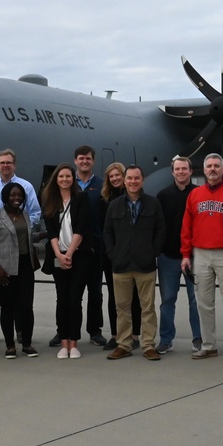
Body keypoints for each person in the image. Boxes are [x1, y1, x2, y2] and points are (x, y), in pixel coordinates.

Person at [181, 153, 223, 361]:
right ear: (204, 169)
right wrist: (186, 254)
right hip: (201, 253)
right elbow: (186, 227)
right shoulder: (195, 194)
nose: (213, 169)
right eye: (209, 166)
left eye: (217, 166)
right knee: (203, 302)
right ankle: (208, 345)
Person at [103, 166, 166, 361]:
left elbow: (160, 231)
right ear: (124, 180)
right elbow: (107, 233)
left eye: (136, 178)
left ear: (142, 180)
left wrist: (152, 253)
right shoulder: (114, 205)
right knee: (122, 308)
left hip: (145, 265)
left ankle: (148, 345)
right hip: (121, 266)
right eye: (129, 178)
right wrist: (114, 254)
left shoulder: (153, 204)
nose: (133, 182)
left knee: (147, 308)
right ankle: (124, 344)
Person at [0, 150, 40, 345]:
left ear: (14, 165)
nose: (5, 165)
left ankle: (21, 331)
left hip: (20, 249)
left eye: (9, 162)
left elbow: (35, 212)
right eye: (2, 162)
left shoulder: (26, 187)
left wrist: (18, 227)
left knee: (20, 296)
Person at [42, 163, 92, 359]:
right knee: (62, 299)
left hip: (79, 255)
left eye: (68, 176)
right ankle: (64, 342)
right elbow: (51, 232)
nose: (64, 179)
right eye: (61, 176)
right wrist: (59, 255)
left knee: (75, 300)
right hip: (58, 254)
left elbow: (81, 228)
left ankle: (74, 342)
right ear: (56, 179)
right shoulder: (50, 200)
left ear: (73, 179)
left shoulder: (82, 198)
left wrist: (69, 254)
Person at [156, 156, 202, 353]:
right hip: (168, 256)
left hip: (195, 256)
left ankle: (198, 338)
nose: (181, 172)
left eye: (185, 169)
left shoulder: (199, 194)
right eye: (177, 169)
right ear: (172, 172)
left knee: (196, 300)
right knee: (167, 299)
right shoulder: (163, 195)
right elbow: (158, 226)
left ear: (191, 171)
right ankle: (166, 339)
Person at [98, 162, 140, 351]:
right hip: (113, 256)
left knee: (135, 297)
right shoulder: (104, 199)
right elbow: (104, 230)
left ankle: (135, 334)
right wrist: (111, 253)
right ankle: (115, 334)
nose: (115, 178)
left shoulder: (132, 197)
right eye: (111, 176)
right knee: (114, 297)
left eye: (117, 175)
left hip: (133, 254)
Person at [72, 145, 108, 347]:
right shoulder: (68, 184)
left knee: (95, 292)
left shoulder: (101, 186)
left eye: (88, 158)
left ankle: (95, 330)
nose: (84, 161)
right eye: (81, 158)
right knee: (71, 293)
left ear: (93, 161)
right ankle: (66, 331)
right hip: (72, 247)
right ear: (75, 161)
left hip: (94, 247)